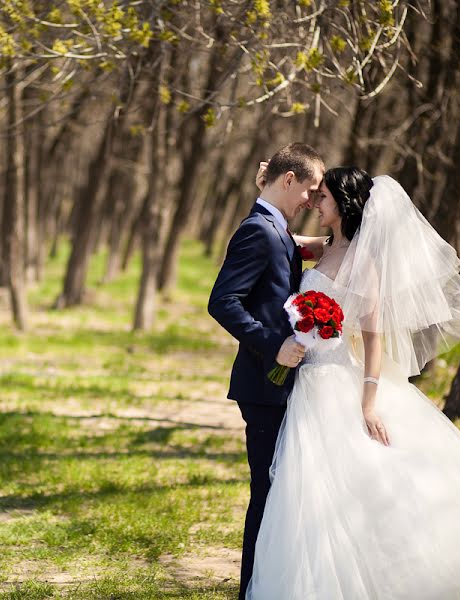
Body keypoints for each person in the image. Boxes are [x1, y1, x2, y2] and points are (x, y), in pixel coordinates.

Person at [244, 166, 460, 599]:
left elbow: (374, 341)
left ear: (345, 205)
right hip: (305, 379)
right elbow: (277, 236)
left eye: (324, 197)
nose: (317, 204)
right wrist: (266, 190)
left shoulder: (364, 263)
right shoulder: (325, 247)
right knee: (305, 490)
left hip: (333, 382)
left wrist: (368, 404)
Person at [207, 142, 324, 600]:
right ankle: (252, 591)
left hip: (277, 386)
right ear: (288, 180)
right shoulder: (259, 229)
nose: (311, 202)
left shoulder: (274, 228)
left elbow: (286, 259)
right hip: (262, 386)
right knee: (267, 494)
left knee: (277, 493)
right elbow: (222, 301)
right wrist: (274, 346)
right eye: (310, 190)